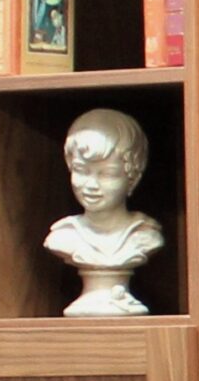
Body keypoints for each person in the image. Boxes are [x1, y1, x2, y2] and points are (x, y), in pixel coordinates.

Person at [44, 106, 162, 314]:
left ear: (132, 176)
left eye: (107, 174)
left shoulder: (145, 234)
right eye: (81, 170)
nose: (91, 184)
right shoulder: (63, 236)